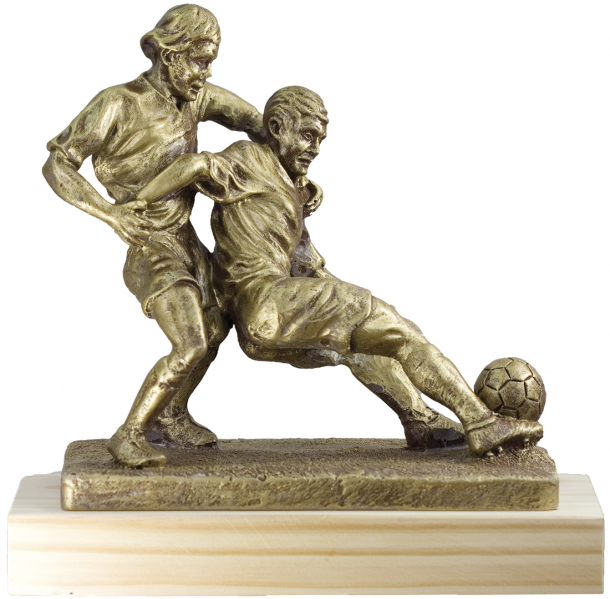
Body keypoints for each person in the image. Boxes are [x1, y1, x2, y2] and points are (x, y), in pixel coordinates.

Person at [134, 86, 544, 457]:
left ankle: (420, 420)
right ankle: (481, 423)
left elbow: (310, 267)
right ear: (276, 128)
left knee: (365, 343)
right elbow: (195, 165)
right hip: (267, 302)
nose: (314, 149)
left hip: (261, 325)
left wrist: (349, 301)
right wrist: (137, 204)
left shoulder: (289, 191)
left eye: (320, 140)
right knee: (400, 331)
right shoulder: (248, 158)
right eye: (307, 136)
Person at [43, 5, 265, 467]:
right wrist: (110, 213)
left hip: (187, 241)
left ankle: (171, 414)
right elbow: (57, 164)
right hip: (150, 245)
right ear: (169, 55)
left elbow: (259, 124)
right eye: (200, 61)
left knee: (218, 325)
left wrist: (296, 178)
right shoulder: (117, 103)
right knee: (190, 342)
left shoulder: (195, 99)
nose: (206, 73)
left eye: (211, 61)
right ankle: (129, 434)